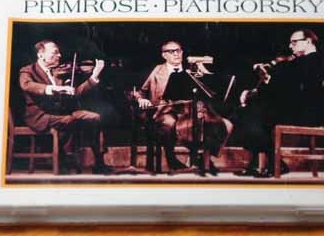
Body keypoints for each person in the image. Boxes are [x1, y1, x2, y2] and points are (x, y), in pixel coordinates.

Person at [237, 29, 324, 177]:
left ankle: (272, 164)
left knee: (253, 113)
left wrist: (265, 84)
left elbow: (294, 91)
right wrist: (259, 90)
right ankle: (264, 164)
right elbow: (285, 89)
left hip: (308, 114)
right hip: (300, 110)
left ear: (308, 41)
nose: (290, 46)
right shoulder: (304, 61)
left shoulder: (313, 61)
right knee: (252, 112)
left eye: (294, 42)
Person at [135, 41, 232, 173]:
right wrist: (141, 99)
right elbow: (141, 92)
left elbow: (207, 92)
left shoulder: (191, 69)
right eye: (171, 51)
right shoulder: (158, 70)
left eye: (179, 50)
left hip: (190, 111)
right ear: (164, 55)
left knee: (224, 124)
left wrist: (203, 75)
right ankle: (172, 159)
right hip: (165, 111)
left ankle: (205, 158)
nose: (176, 54)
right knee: (169, 123)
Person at [19, 40, 112, 174]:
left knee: (94, 117)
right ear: (41, 55)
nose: (59, 55)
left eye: (59, 52)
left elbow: (75, 93)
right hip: (41, 115)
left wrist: (93, 76)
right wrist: (53, 88)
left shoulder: (58, 73)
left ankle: (99, 162)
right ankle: (67, 159)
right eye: (55, 52)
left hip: (60, 113)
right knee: (70, 120)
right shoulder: (28, 70)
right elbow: (27, 85)